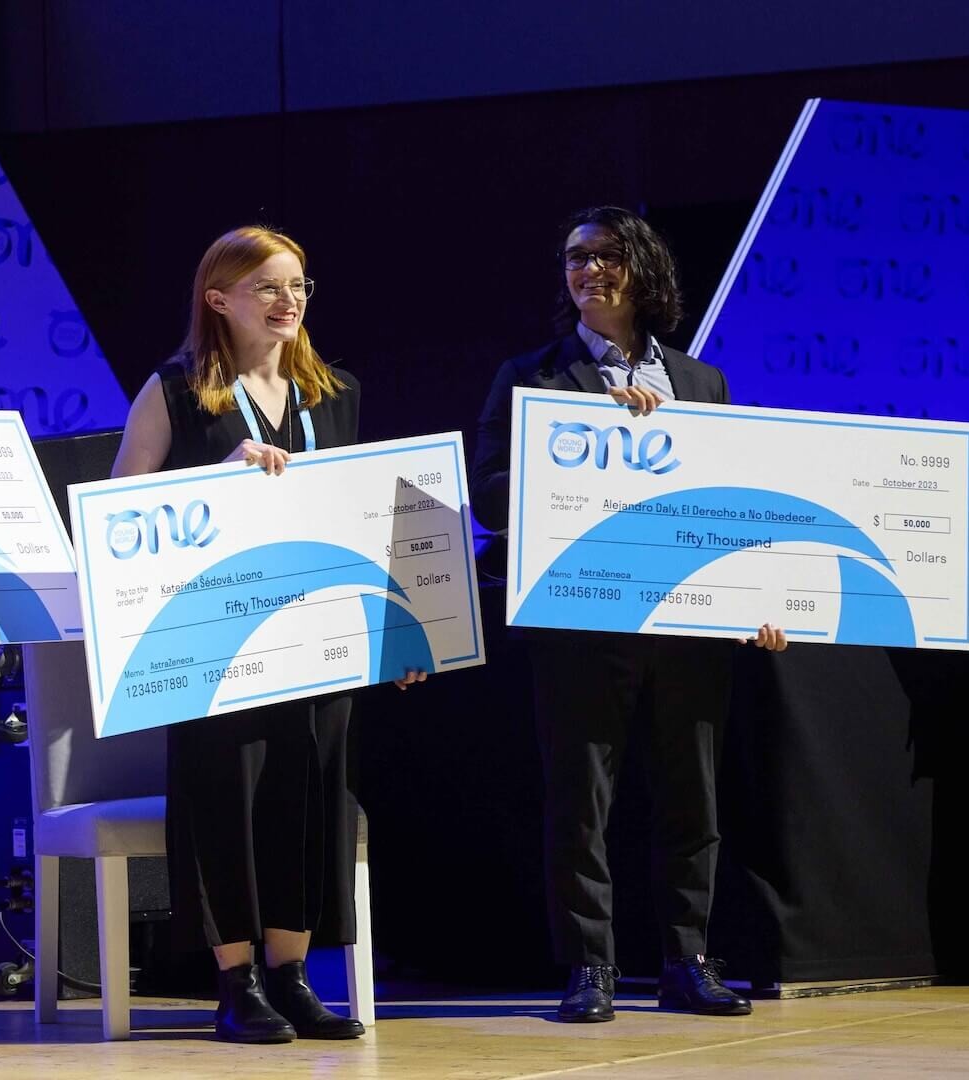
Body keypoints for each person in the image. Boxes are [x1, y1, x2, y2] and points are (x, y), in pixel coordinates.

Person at [472, 206, 787, 1024]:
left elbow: (732, 503)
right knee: (582, 800)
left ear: (643, 270)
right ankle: (590, 969)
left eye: (606, 256)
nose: (587, 271)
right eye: (574, 258)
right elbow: (491, 495)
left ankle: (687, 962)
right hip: (582, 620)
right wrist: (585, 440)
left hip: (689, 621)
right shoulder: (534, 378)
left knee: (695, 798)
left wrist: (761, 597)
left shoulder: (702, 381)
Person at [111, 226, 424, 1044]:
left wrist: (398, 634)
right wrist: (214, 480)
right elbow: (121, 512)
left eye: (300, 286)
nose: (290, 301)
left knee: (313, 796)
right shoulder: (177, 392)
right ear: (220, 299)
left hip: (317, 638)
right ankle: (237, 981)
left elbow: (368, 523)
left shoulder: (337, 393)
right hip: (215, 642)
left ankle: (292, 976)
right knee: (226, 800)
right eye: (269, 287)